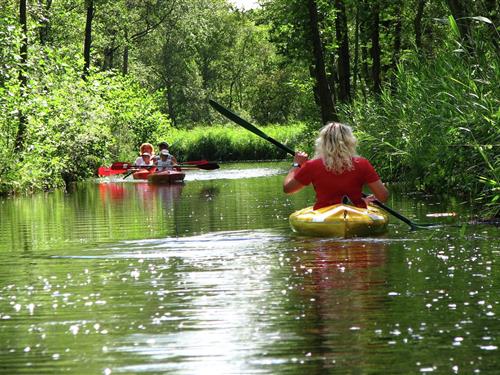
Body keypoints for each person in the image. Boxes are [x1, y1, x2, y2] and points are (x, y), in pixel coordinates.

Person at [283, 121, 389, 209]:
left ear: (322, 142)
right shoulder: (362, 163)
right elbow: (383, 196)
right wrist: (364, 200)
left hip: (324, 214)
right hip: (356, 210)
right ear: (350, 141)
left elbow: (288, 189)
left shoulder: (312, 165)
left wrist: (297, 164)